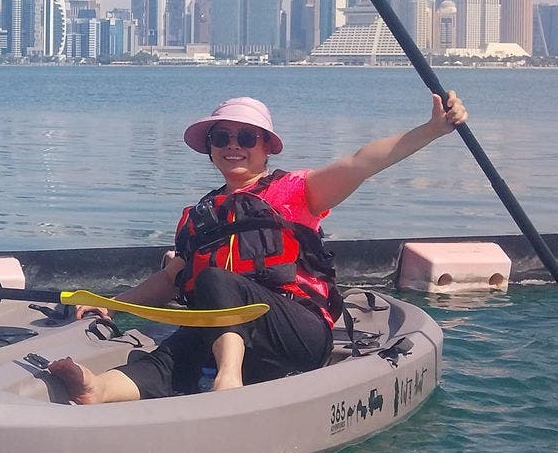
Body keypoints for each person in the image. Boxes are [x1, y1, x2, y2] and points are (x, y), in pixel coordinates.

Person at [51, 91, 467, 403]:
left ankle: (227, 383)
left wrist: (432, 128)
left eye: (247, 137)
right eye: (223, 137)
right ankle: (98, 389)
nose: (234, 145)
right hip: (230, 333)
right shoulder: (200, 215)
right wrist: (111, 303)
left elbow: (362, 161)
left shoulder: (296, 192)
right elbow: (169, 279)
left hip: (296, 334)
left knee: (216, 282)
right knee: (177, 350)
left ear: (266, 146)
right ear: (210, 148)